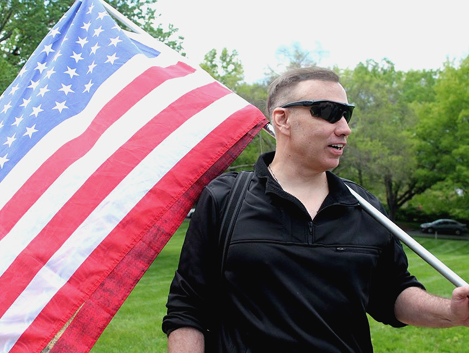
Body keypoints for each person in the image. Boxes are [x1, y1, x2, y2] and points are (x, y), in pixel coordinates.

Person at [162, 67, 469, 352]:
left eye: (347, 115)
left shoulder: (365, 207)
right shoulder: (224, 199)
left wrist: (452, 311)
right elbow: (187, 308)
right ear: (282, 119)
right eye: (330, 113)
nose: (345, 128)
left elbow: (392, 294)